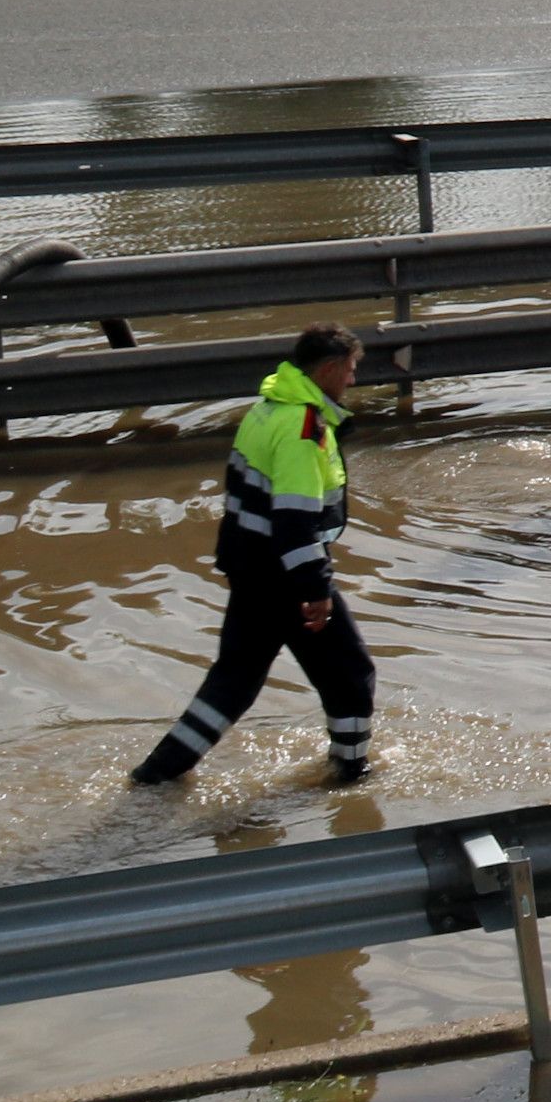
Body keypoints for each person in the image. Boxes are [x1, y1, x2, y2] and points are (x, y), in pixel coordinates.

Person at [131, 324, 376, 788]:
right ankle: (351, 775)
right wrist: (315, 588)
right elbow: (294, 521)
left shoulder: (267, 408)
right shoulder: (305, 428)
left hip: (250, 568)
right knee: (351, 673)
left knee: (235, 681)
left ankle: (156, 774)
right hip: (285, 577)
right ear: (327, 370)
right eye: (350, 370)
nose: (352, 381)